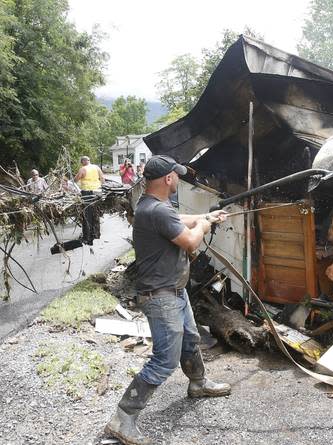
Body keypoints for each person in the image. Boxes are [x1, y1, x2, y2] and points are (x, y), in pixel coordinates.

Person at [104, 155, 230, 445]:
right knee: (164, 360)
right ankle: (122, 419)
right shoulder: (157, 211)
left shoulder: (153, 207)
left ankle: (198, 383)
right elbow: (189, 241)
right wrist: (204, 226)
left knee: (190, 339)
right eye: (177, 175)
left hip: (174, 290)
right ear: (168, 179)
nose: (179, 179)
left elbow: (179, 221)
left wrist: (204, 217)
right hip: (161, 296)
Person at [74, 156, 104, 245]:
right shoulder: (97, 167)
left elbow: (76, 179)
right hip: (97, 192)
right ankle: (95, 233)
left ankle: (87, 237)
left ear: (83, 161)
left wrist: (75, 178)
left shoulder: (83, 169)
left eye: (81, 162)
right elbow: (102, 179)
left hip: (87, 192)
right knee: (95, 213)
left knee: (87, 214)